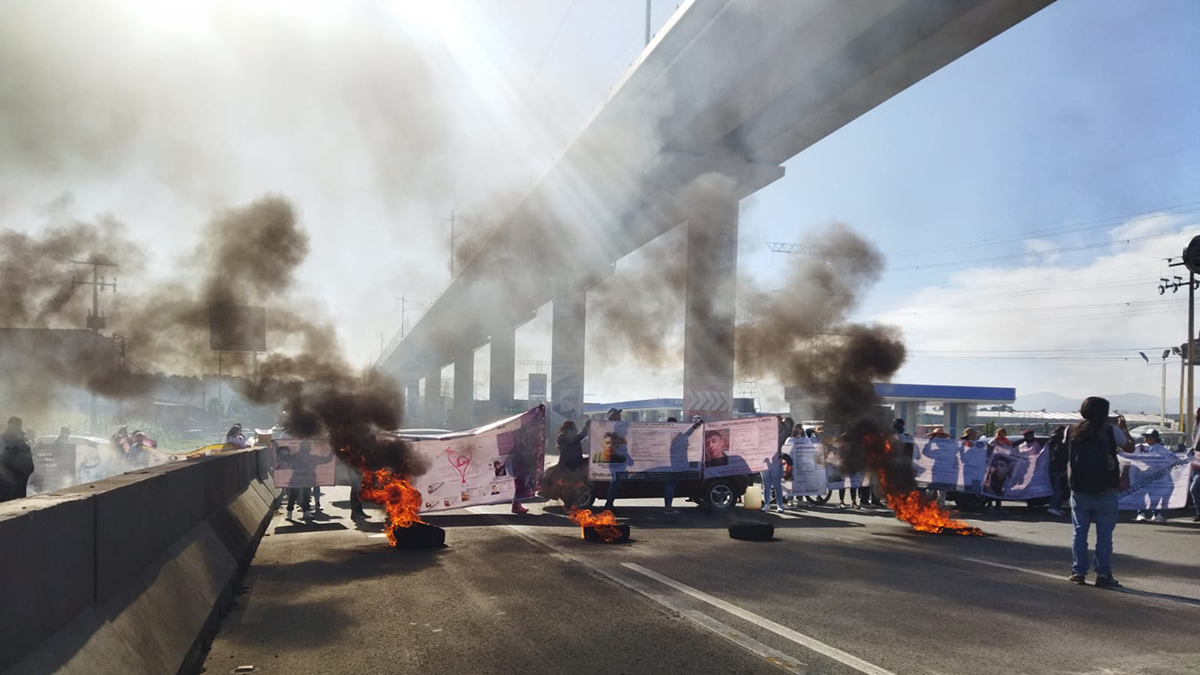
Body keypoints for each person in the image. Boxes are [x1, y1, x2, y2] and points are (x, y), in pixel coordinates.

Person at [1066, 397, 1131, 588]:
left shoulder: (1072, 430)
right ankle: (1103, 574)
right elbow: (1130, 447)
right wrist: (1124, 427)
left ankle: (1078, 572)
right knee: (1104, 534)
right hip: (1106, 488)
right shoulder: (1112, 430)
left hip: (1079, 488)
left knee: (1079, 532)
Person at [662, 416, 702, 514]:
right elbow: (689, 432)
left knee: (670, 485)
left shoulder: (664, 435)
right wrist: (696, 425)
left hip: (670, 464)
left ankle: (667, 507)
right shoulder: (677, 435)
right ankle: (668, 508)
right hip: (675, 465)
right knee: (671, 485)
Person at [1133, 429, 1170, 523]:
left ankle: (1156, 513)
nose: (1146, 438)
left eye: (1149, 437)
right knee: (1141, 495)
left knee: (1155, 496)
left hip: (1156, 477)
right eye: (1146, 436)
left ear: (1155, 438)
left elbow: (1171, 459)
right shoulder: (1139, 447)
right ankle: (1141, 513)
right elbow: (1130, 455)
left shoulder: (1162, 449)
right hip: (1141, 475)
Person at [1, 416, 34, 502]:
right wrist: (5, 475)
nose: (16, 427)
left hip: (22, 478)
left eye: (18, 425)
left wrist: (29, 470)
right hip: (7, 480)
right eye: (14, 425)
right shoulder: (2, 439)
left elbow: (28, 455)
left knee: (19, 502)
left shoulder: (22, 439)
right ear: (9, 425)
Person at [601, 408, 625, 512]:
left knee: (616, 481)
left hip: (619, 457)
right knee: (615, 481)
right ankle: (609, 504)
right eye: (617, 415)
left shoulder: (619, 427)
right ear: (612, 416)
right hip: (615, 458)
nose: (619, 417)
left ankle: (609, 503)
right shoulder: (612, 428)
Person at [1045, 426, 1069, 517]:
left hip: (1052, 467)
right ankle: (1053, 507)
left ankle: (1057, 507)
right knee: (1058, 489)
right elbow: (1062, 456)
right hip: (1058, 468)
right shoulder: (1061, 443)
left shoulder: (1051, 441)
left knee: (1057, 489)